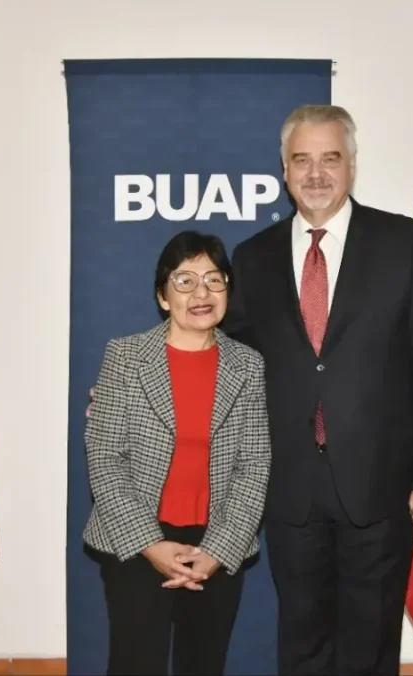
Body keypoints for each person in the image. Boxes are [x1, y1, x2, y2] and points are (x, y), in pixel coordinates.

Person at [219, 104, 413, 675]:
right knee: (301, 647)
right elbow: (226, 362)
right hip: (290, 490)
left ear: (352, 165)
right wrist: (136, 389)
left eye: (330, 157)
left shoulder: (404, 244)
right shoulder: (252, 258)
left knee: (370, 649)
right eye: (301, 160)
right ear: (284, 170)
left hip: (381, 488)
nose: (316, 173)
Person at [83, 230, 272, 675]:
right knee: (135, 664)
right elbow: (106, 458)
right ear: (163, 296)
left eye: (213, 279)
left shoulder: (248, 365)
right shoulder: (125, 357)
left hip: (217, 541)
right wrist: (151, 544)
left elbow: (254, 465)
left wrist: (219, 550)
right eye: (184, 281)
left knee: (203, 665)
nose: (201, 293)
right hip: (135, 541)